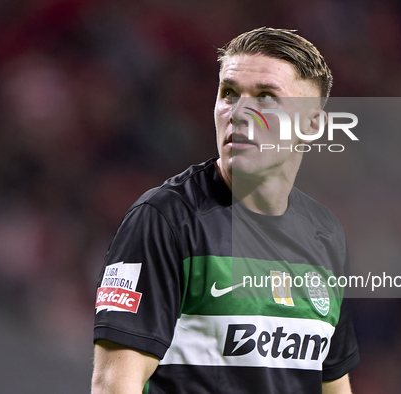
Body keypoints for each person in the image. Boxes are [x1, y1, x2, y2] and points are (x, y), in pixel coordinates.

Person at [92, 27, 359, 394]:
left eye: (266, 97)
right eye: (229, 93)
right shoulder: (166, 220)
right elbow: (114, 385)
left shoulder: (325, 235)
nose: (239, 112)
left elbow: (332, 385)